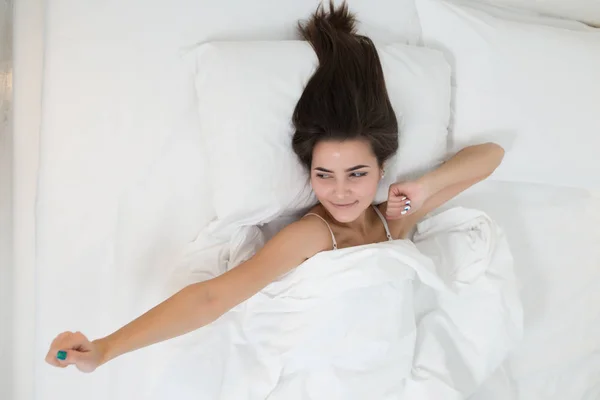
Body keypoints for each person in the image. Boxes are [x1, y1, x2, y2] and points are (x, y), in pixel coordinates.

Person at [45, 1, 504, 374]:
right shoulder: (313, 235)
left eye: (357, 174)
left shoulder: (394, 221)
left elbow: (491, 156)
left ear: (382, 169)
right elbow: (213, 297)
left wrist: (424, 187)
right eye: (324, 175)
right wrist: (105, 349)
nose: (340, 192)